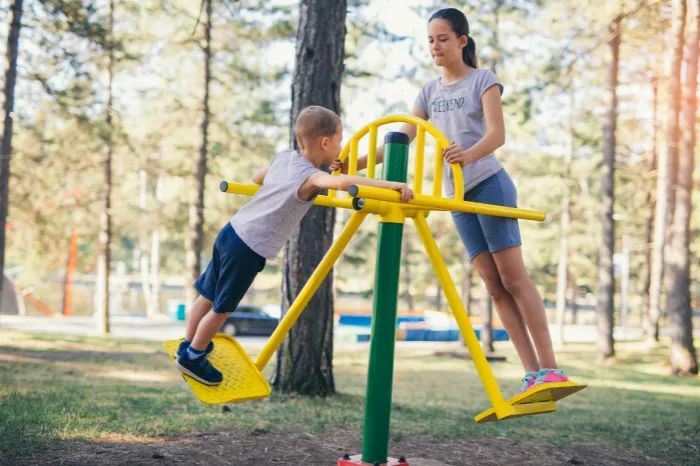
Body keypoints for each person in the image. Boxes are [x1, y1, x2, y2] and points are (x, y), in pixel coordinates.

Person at [333, 8, 570, 394]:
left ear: (462, 41)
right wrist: (353, 163)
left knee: (513, 278)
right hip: (457, 197)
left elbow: (497, 135)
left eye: (443, 39)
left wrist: (468, 155)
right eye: (430, 40)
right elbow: (402, 137)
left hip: (490, 183)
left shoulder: (483, 80)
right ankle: (532, 374)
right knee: (493, 286)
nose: (435, 46)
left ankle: (552, 368)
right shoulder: (428, 92)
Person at [175, 105, 414, 386]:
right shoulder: (310, 177)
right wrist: (390, 186)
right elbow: (340, 183)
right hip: (249, 248)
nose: (340, 149)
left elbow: (257, 177)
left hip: (231, 232)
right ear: (325, 143)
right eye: (338, 142)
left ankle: (188, 342)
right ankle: (193, 356)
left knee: (207, 294)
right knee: (222, 307)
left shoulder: (285, 157)